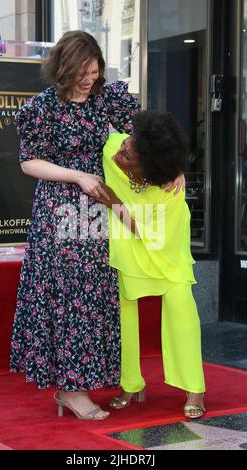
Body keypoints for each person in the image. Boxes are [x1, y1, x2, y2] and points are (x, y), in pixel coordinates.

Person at [9, 30, 142, 420]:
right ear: (63, 68)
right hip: (59, 211)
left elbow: (140, 136)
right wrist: (77, 176)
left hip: (103, 209)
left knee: (96, 296)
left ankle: (84, 382)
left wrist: (170, 170)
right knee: (69, 298)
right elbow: (28, 161)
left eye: (94, 69)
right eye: (81, 71)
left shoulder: (108, 100)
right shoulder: (44, 107)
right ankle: (71, 389)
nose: (88, 78)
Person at [95, 111, 206, 419]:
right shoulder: (114, 148)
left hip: (165, 245)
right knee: (126, 311)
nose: (120, 152)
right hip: (127, 245)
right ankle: (131, 384)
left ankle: (194, 388)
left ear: (148, 170)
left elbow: (148, 232)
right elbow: (102, 126)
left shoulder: (169, 190)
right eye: (125, 144)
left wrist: (113, 202)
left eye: (128, 156)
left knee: (181, 308)